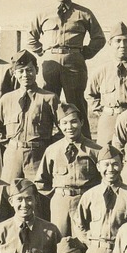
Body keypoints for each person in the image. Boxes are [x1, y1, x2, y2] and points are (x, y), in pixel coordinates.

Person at [27, 0, 107, 119]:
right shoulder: (43, 14)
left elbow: (99, 38)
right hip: (50, 63)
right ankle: (46, 141)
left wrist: (84, 54)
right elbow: (31, 37)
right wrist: (43, 53)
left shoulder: (84, 13)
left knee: (77, 104)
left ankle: (83, 141)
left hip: (74, 64)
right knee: (46, 103)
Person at [73, 146, 127, 253]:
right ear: (98, 166)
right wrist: (90, 244)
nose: (111, 169)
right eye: (106, 164)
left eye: (115, 164)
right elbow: (79, 225)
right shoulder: (89, 196)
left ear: (122, 165)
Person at [0, 53, 59, 185]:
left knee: (39, 191)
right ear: (14, 73)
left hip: (38, 155)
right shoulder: (7, 99)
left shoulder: (49, 98)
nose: (25, 75)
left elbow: (63, 129)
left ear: (36, 71)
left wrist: (48, 145)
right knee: (9, 191)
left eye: (29, 70)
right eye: (20, 71)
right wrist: (11, 144)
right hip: (13, 155)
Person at [37, 100, 101, 236]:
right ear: (59, 125)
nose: (69, 127)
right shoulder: (52, 150)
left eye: (73, 122)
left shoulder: (95, 150)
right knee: (60, 243)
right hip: (60, 203)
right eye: (64, 123)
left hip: (85, 202)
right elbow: (41, 182)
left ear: (82, 122)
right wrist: (57, 197)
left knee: (86, 240)